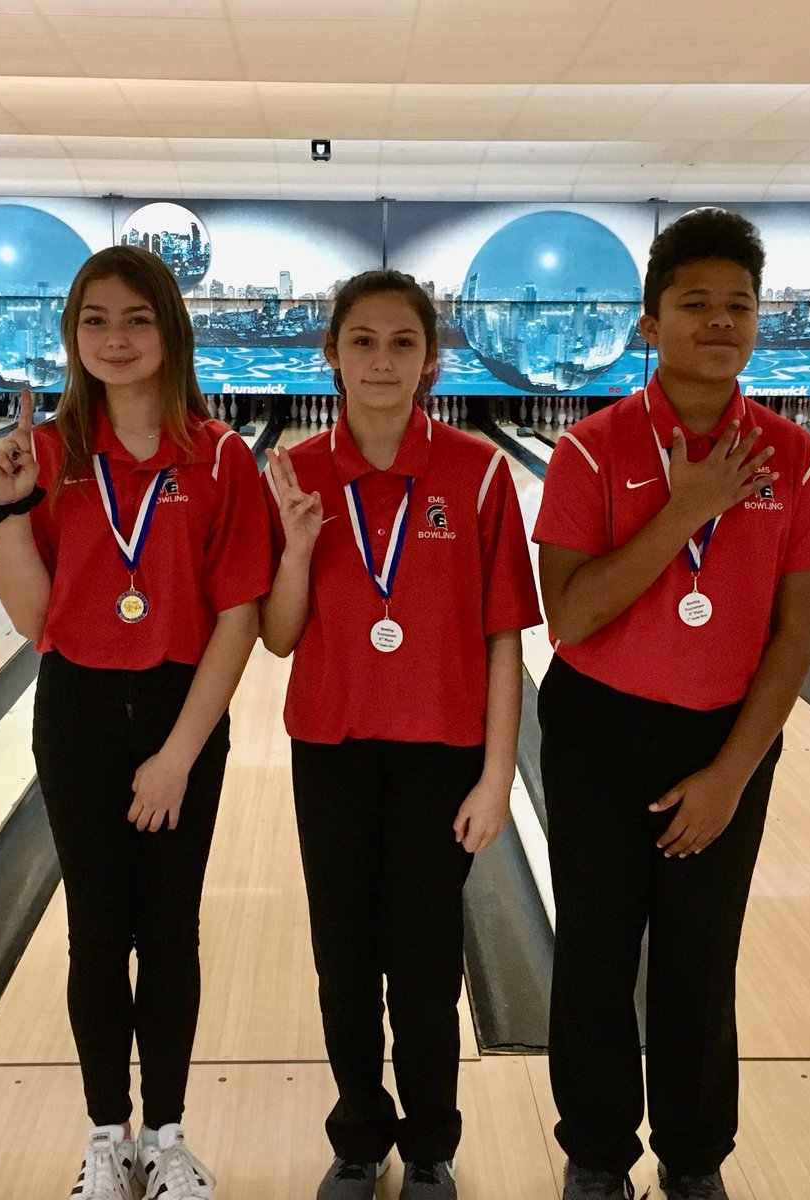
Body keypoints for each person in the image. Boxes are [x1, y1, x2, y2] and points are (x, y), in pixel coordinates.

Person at [532, 208, 810, 1200]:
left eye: (736, 306)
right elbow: (571, 616)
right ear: (648, 325)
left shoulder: (795, 460)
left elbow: (797, 632)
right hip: (596, 731)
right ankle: (594, 1155)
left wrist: (730, 775)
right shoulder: (588, 451)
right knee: (594, 953)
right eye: (693, 304)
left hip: (727, 736)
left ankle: (695, 1160)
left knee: (700, 963)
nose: (718, 322)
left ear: (757, 324)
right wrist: (688, 510)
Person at [0, 245, 271, 1200]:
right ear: (72, 336)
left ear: (170, 331)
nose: (115, 337)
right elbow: (31, 619)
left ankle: (171, 1136)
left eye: (136, 318)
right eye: (94, 320)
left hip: (184, 711)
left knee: (171, 931)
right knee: (97, 934)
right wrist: (11, 509)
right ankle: (108, 1139)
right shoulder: (52, 455)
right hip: (76, 713)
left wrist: (179, 755)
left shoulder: (223, 456)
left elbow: (237, 618)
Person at [259, 269, 542, 1200]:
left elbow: (506, 638)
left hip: (441, 753)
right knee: (342, 958)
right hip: (332, 750)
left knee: (425, 966)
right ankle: (356, 1136)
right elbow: (278, 635)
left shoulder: (479, 473)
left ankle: (428, 1146)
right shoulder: (294, 473)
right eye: (363, 341)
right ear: (331, 353)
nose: (382, 359)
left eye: (403, 342)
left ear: (430, 358)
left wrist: (499, 777)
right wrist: (296, 548)